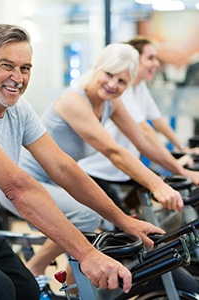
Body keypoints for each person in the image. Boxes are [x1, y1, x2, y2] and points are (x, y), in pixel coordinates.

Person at [0, 24, 165, 300]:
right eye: (7, 65)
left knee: (27, 291)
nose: (17, 78)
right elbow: (17, 187)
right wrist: (86, 254)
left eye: (25, 68)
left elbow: (62, 166)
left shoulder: (17, 109)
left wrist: (124, 221)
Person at [0, 42, 197, 298]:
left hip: (57, 183)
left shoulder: (110, 103)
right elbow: (114, 152)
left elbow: (143, 141)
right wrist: (157, 185)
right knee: (86, 217)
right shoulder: (73, 100)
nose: (113, 84)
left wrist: (185, 174)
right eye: (109, 74)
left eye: (122, 81)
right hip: (25, 182)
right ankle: (34, 269)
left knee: (101, 225)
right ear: (96, 68)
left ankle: (73, 292)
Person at [78, 36, 199, 207]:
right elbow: (144, 134)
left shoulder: (138, 88)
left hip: (124, 167)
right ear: (134, 59)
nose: (156, 64)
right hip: (99, 169)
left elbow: (158, 122)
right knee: (114, 222)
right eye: (150, 58)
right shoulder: (120, 93)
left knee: (156, 197)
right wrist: (177, 166)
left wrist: (182, 149)